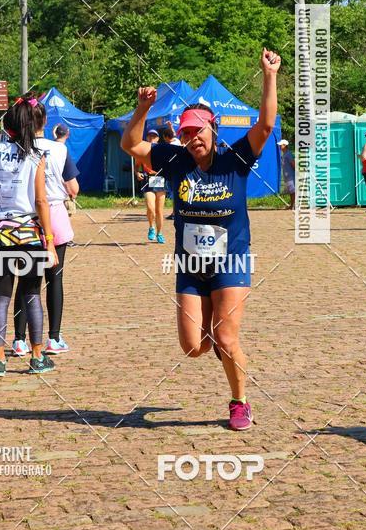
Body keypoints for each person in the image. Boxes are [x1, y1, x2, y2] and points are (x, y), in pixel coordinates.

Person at [121, 49, 281, 431]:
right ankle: (222, 349)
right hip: (190, 266)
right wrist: (142, 109)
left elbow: (265, 125)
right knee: (194, 347)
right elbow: (132, 146)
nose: (193, 139)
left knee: (226, 337)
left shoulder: (235, 159)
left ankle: (239, 401)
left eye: (199, 131)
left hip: (232, 262)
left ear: (214, 129)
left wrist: (269, 75)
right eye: (187, 132)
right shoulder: (174, 160)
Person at [0, 93, 58, 377]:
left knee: (1, 296)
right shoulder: (35, 156)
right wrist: (50, 240)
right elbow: (42, 202)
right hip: (28, 234)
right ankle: (36, 356)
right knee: (32, 294)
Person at [12, 99, 80, 357]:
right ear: (45, 122)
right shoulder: (59, 150)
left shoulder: (18, 148)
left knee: (25, 279)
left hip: (25, 216)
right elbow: (73, 188)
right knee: (55, 279)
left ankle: (19, 339)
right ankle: (54, 337)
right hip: (54, 213)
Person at [136, 128, 167, 244]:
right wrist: (137, 173)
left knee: (159, 211)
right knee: (151, 208)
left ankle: (159, 233)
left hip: (159, 179)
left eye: (154, 136)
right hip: (148, 179)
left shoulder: (163, 150)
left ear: (158, 138)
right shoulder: (143, 150)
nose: (151, 138)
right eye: (149, 136)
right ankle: (151, 227)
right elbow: (137, 165)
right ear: (146, 138)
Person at [278, 140, 296, 209]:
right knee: (291, 191)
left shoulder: (288, 154)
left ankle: (294, 206)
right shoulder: (285, 154)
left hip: (291, 176)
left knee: (293, 191)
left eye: (281, 145)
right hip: (287, 176)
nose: (280, 146)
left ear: (285, 145)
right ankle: (292, 205)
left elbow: (293, 164)